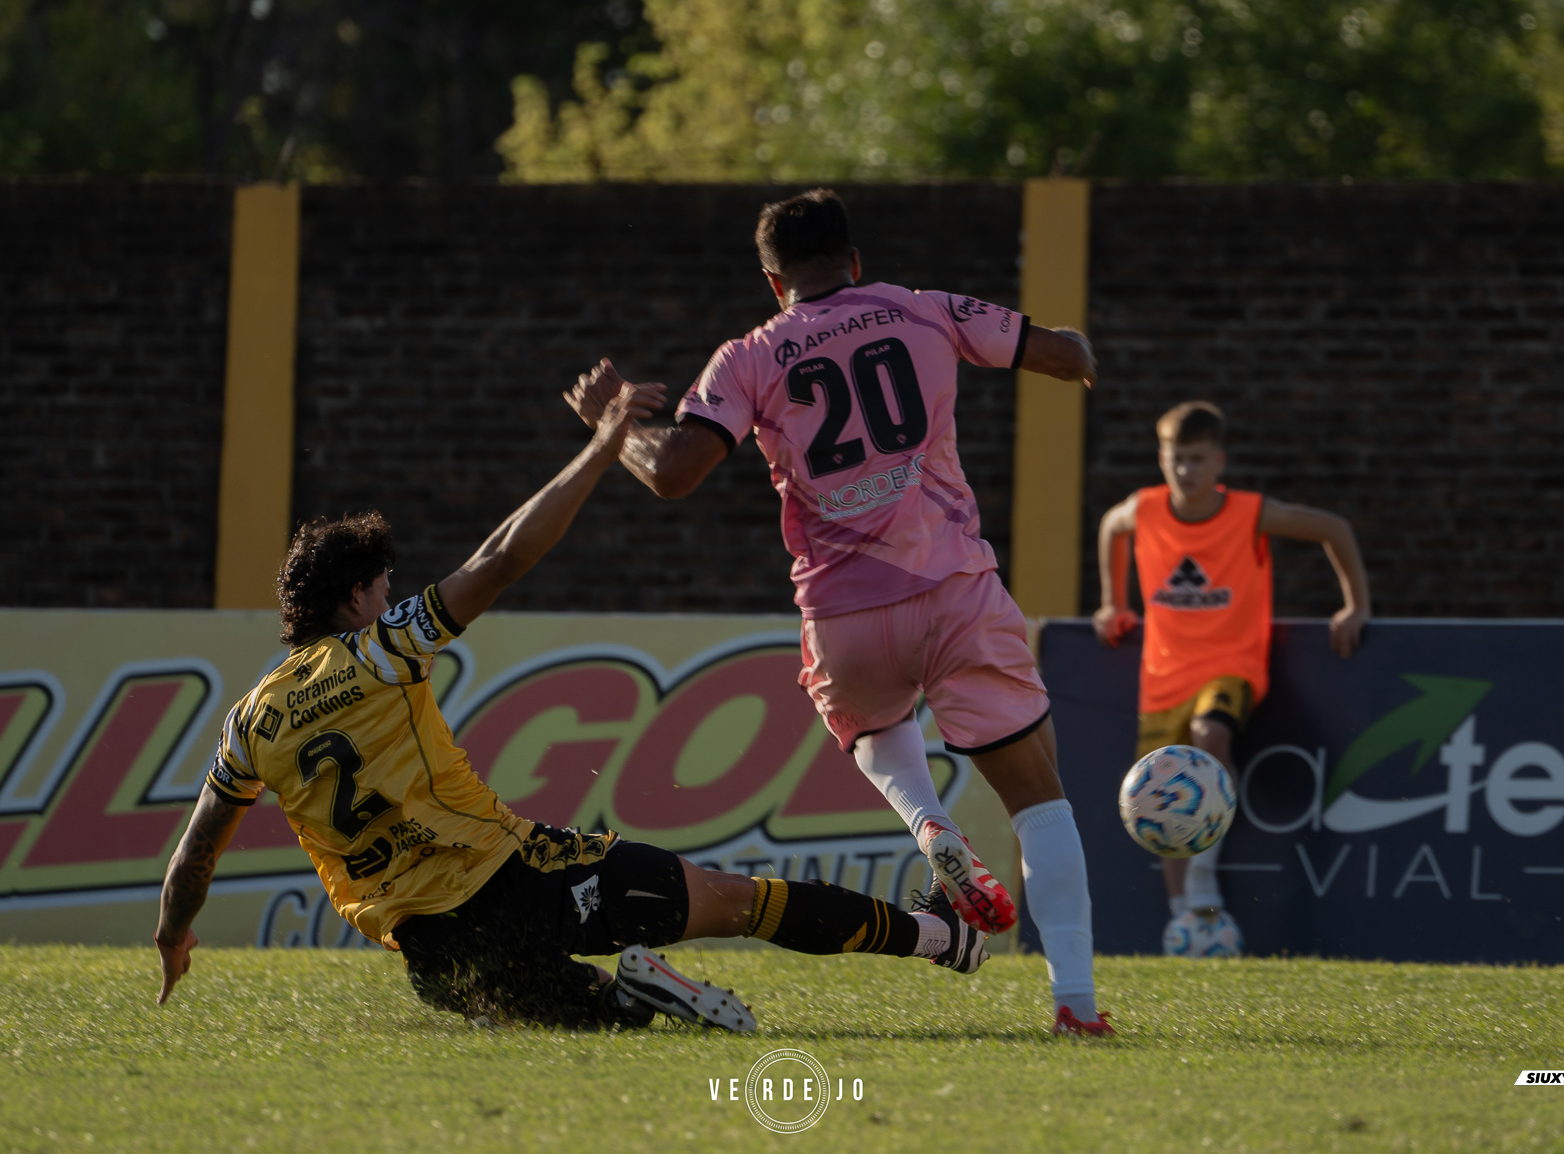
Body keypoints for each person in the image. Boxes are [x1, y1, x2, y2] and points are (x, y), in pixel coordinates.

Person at [152, 381, 989, 1031]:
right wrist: (600, 446)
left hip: (435, 953)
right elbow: (504, 554)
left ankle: (633, 993)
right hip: (517, 877)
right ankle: (941, 938)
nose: (389, 596)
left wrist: (174, 934)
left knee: (593, 1020)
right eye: (382, 586)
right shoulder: (381, 647)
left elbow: (194, 856)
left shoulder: (249, 722)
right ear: (353, 600)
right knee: (740, 901)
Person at [563, 188, 1112, 1036]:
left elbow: (672, 473)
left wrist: (612, 426)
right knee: (1039, 799)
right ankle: (1075, 1003)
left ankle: (926, 819)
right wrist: (1079, 352)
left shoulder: (747, 355)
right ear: (855, 262)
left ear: (772, 281)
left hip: (846, 613)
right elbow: (1064, 356)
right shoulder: (924, 310)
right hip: (956, 591)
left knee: (873, 728)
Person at [1093, 400, 1371, 955]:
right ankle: (1186, 922)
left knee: (1210, 736)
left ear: (1219, 461)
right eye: (1176, 459)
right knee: (1160, 797)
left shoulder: (1248, 513)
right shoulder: (1145, 510)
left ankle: (1202, 881)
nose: (1186, 471)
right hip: (1162, 677)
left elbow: (1333, 529)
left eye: (1197, 459)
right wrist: (1111, 602)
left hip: (1231, 667)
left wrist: (1355, 606)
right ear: (1162, 458)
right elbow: (1110, 527)